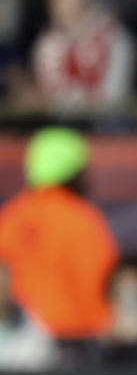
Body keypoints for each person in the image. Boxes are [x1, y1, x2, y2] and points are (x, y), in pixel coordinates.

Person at [0, 128, 118, 341]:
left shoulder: (9, 218)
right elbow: (99, 286)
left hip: (14, 345)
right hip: (72, 343)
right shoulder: (82, 220)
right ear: (74, 171)